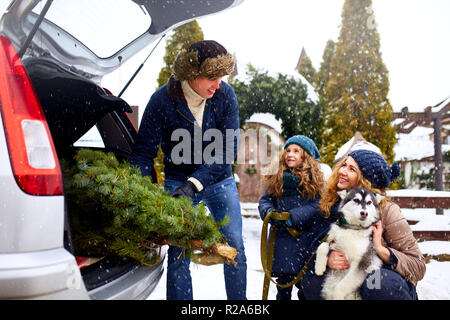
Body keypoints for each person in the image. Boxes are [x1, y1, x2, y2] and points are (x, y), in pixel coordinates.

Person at [131, 40, 247, 300]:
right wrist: (136, 194)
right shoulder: (161, 100)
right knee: (178, 254)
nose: (218, 85)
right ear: (192, 74)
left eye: (221, 77)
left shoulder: (226, 96)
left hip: (218, 180)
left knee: (234, 245)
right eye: (213, 77)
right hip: (177, 180)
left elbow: (227, 151)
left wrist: (195, 183)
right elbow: (142, 153)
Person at [300, 149, 426, 300]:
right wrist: (328, 257)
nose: (342, 171)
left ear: (365, 180)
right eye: (344, 165)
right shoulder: (332, 204)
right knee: (313, 282)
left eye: (351, 169)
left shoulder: (387, 211)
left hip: (381, 280)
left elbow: (418, 266)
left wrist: (381, 250)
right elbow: (309, 246)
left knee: (378, 282)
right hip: (346, 278)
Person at [258, 135, 332, 300]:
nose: (290, 154)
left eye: (296, 151)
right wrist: (270, 213)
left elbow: (317, 205)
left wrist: (293, 217)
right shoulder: (276, 176)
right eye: (288, 150)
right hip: (281, 239)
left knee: (304, 285)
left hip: (303, 239)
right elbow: (265, 200)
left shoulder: (315, 180)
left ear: (305, 156)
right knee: (283, 286)